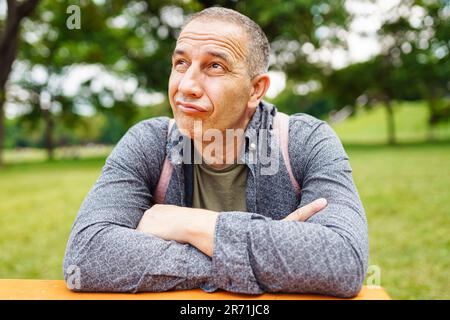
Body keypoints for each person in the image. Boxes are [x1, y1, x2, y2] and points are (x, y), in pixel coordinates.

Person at [63, 7, 368, 298]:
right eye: (181, 63)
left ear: (255, 90)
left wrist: (185, 224)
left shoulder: (305, 141)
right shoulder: (148, 143)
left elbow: (344, 261)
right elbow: (86, 254)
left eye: (215, 66)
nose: (187, 85)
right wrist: (273, 258)